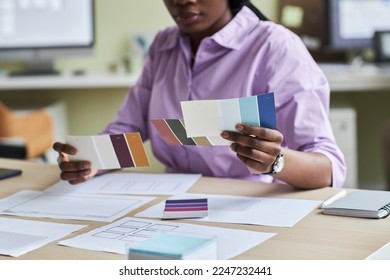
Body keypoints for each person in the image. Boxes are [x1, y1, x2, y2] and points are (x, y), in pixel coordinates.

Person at [53, 0, 346, 189]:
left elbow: (329, 169)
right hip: (172, 201)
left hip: (249, 202)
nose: (182, 1)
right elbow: (130, 129)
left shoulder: (275, 47)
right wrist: (92, 160)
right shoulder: (164, 44)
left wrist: (276, 160)